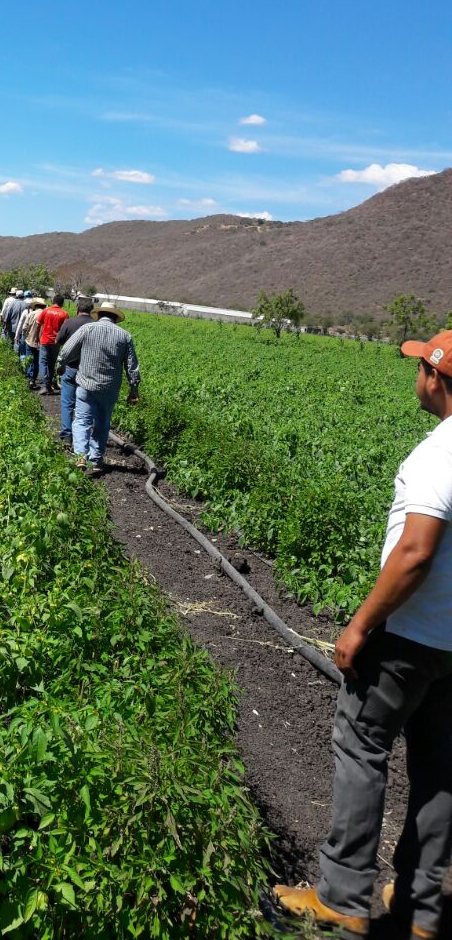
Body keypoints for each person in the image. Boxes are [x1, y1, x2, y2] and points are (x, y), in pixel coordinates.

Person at [274, 329, 452, 939]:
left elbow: (415, 554)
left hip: (409, 637)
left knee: (362, 746)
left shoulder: (438, 454)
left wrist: (360, 624)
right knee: (438, 768)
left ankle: (343, 895)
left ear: (436, 378)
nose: (417, 378)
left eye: (420, 368)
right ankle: (421, 907)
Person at [56, 302, 139, 476]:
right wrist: (133, 389)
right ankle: (96, 460)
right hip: (109, 388)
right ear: (115, 318)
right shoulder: (125, 336)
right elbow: (132, 366)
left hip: (86, 385)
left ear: (99, 314)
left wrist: (60, 365)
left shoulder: (88, 329)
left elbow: (67, 349)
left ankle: (80, 456)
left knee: (81, 420)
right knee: (102, 423)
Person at [54, 296, 94, 444]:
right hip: (88, 371)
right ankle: (83, 437)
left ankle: (66, 435)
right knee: (85, 404)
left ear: (77, 308)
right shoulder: (94, 325)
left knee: (67, 402)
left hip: (70, 367)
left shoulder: (69, 322)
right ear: (91, 311)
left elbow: (58, 340)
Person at [35, 293, 69, 394]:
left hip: (44, 340)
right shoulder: (64, 314)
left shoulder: (46, 311)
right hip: (56, 342)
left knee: (43, 362)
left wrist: (37, 337)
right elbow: (65, 330)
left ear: (53, 301)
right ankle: (48, 385)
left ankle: (44, 386)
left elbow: (38, 325)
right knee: (51, 363)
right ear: (62, 303)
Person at [16, 297, 46, 387]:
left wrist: (26, 334)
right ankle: (35, 378)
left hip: (30, 340)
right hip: (42, 341)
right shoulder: (46, 315)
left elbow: (24, 328)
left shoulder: (31, 314)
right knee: (37, 360)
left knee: (30, 359)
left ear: (35, 306)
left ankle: (30, 379)